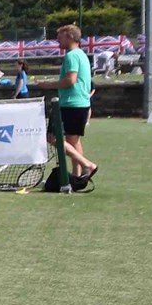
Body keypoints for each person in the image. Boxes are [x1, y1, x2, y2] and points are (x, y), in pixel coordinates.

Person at [42, 24, 98, 187]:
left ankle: (88, 165)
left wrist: (49, 85)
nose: (58, 40)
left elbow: (70, 80)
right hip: (79, 104)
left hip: (72, 104)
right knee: (73, 141)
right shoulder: (81, 55)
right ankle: (77, 176)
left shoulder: (72, 56)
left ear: (70, 37)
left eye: (61, 37)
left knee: (52, 137)